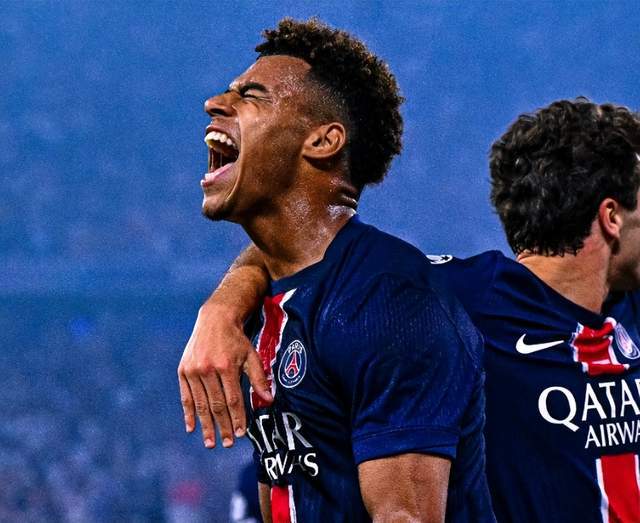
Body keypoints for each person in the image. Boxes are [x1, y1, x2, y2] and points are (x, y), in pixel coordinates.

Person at [180, 96, 640, 522]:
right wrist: (222, 309)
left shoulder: (628, 310)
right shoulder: (452, 296)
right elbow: (301, 251)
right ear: (611, 217)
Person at [179, 18, 494, 523]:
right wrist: (221, 305)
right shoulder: (275, 297)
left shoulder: (389, 303)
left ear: (323, 142)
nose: (215, 103)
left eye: (251, 96)